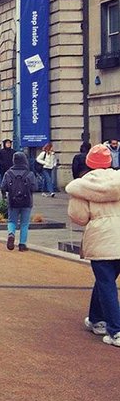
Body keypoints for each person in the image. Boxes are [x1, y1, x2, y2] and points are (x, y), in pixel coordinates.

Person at [65, 144, 120, 347]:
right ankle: (96, 319)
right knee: (105, 281)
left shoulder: (82, 186)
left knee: (106, 284)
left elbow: (79, 217)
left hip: (101, 239)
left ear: (89, 163)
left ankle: (116, 330)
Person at [0, 151, 40, 252]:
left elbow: (3, 187)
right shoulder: (29, 174)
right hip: (27, 201)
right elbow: (35, 187)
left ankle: (11, 234)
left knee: (12, 221)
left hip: (12, 201)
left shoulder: (8, 173)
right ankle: (22, 244)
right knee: (24, 223)